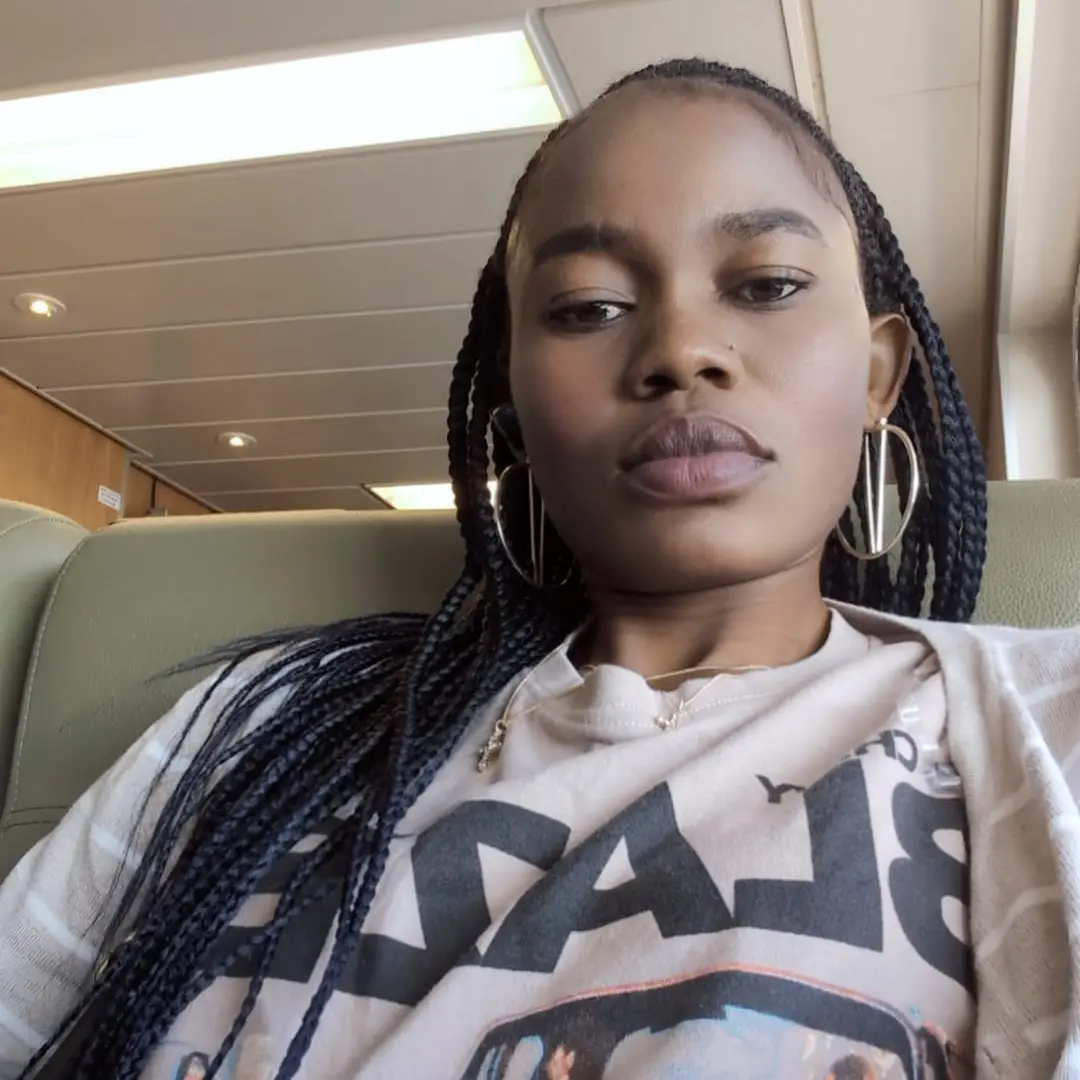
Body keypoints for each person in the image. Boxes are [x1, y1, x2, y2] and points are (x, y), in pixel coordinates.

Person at [0, 57, 1077, 1080]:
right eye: (589, 307)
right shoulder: (259, 728)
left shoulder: (1047, 723)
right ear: (511, 404)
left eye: (767, 284)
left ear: (878, 374)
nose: (680, 350)